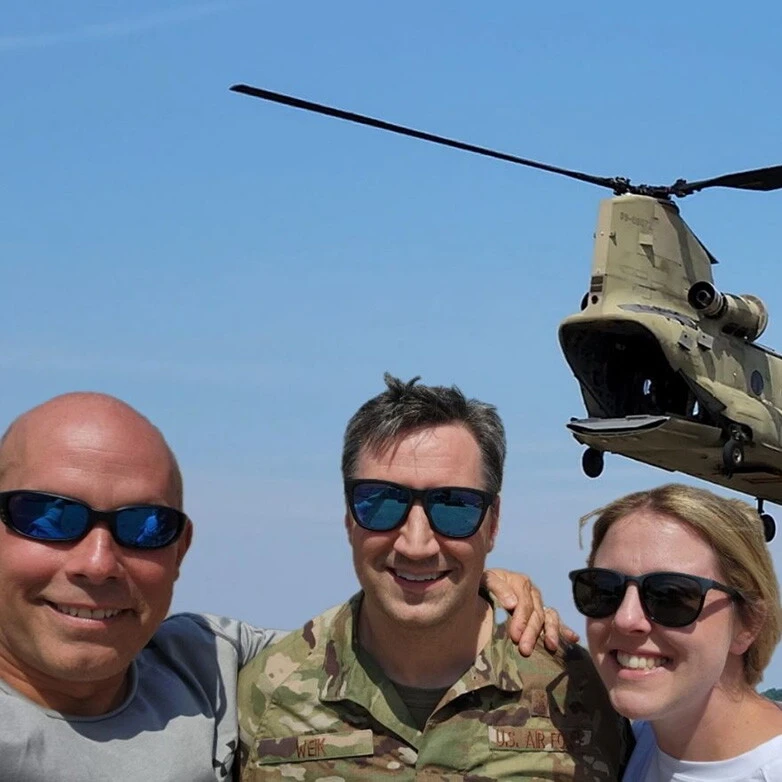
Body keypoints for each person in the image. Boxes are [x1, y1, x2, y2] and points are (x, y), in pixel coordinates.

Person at [0, 391, 560, 781]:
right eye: (47, 517)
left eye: (144, 527)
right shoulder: (245, 688)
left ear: (180, 549)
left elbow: (373, 637)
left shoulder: (208, 669)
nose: (97, 563)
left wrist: (471, 584)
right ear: (349, 516)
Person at [238, 374, 632, 780]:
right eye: (382, 503)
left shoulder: (579, 696)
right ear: (348, 517)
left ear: (492, 523)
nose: (416, 544)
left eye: (453, 507)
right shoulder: (266, 693)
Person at [570, 483, 782, 781]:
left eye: (670, 596)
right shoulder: (630, 743)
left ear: (747, 623)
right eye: (604, 589)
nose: (625, 618)